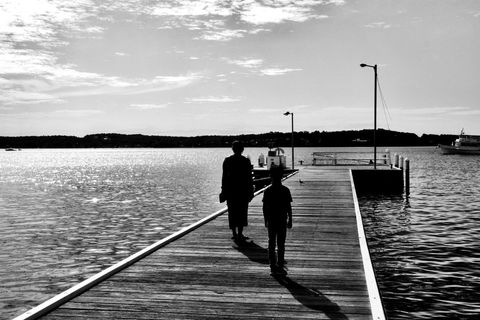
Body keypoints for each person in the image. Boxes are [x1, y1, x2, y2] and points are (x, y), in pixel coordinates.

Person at [220, 141, 254, 242]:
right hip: (242, 191)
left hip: (231, 191)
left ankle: (234, 233)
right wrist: (251, 191)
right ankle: (239, 233)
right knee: (242, 212)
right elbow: (249, 178)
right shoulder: (245, 161)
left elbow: (224, 177)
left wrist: (223, 190)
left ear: (233, 149)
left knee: (232, 212)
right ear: (242, 149)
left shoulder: (227, 160)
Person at [262, 166, 293, 275]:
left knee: (271, 242)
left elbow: (265, 207)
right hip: (282, 220)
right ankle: (279, 264)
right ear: (281, 177)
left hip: (271, 220)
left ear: (271, 176)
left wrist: (265, 219)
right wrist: (290, 219)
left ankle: (272, 265)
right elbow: (288, 207)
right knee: (281, 243)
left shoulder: (267, 191)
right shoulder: (285, 190)